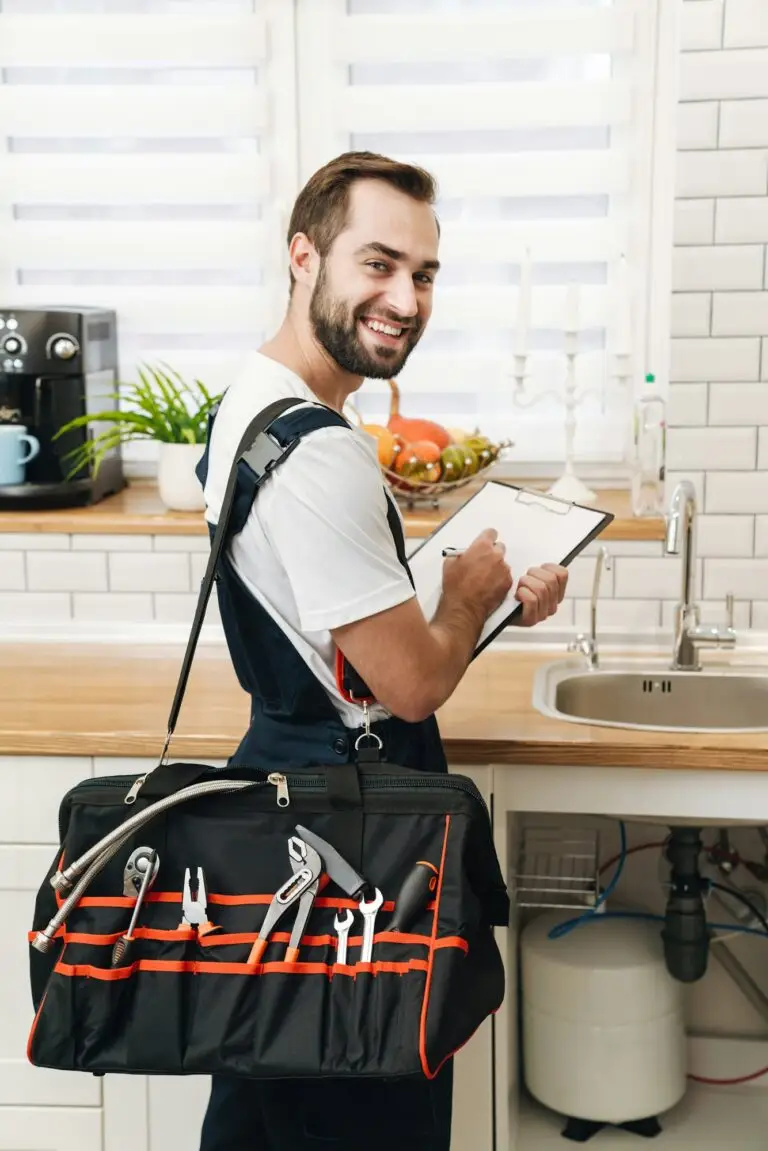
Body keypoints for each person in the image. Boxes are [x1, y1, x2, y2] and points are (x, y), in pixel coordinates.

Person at [196, 151, 569, 1151]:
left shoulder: (253, 402)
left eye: (426, 273)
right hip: (351, 846)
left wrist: (473, 606)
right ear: (304, 254)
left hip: (287, 806)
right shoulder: (323, 452)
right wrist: (469, 598)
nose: (406, 298)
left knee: (265, 1114)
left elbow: (341, 652)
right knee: (368, 1118)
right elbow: (405, 685)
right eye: (379, 263)